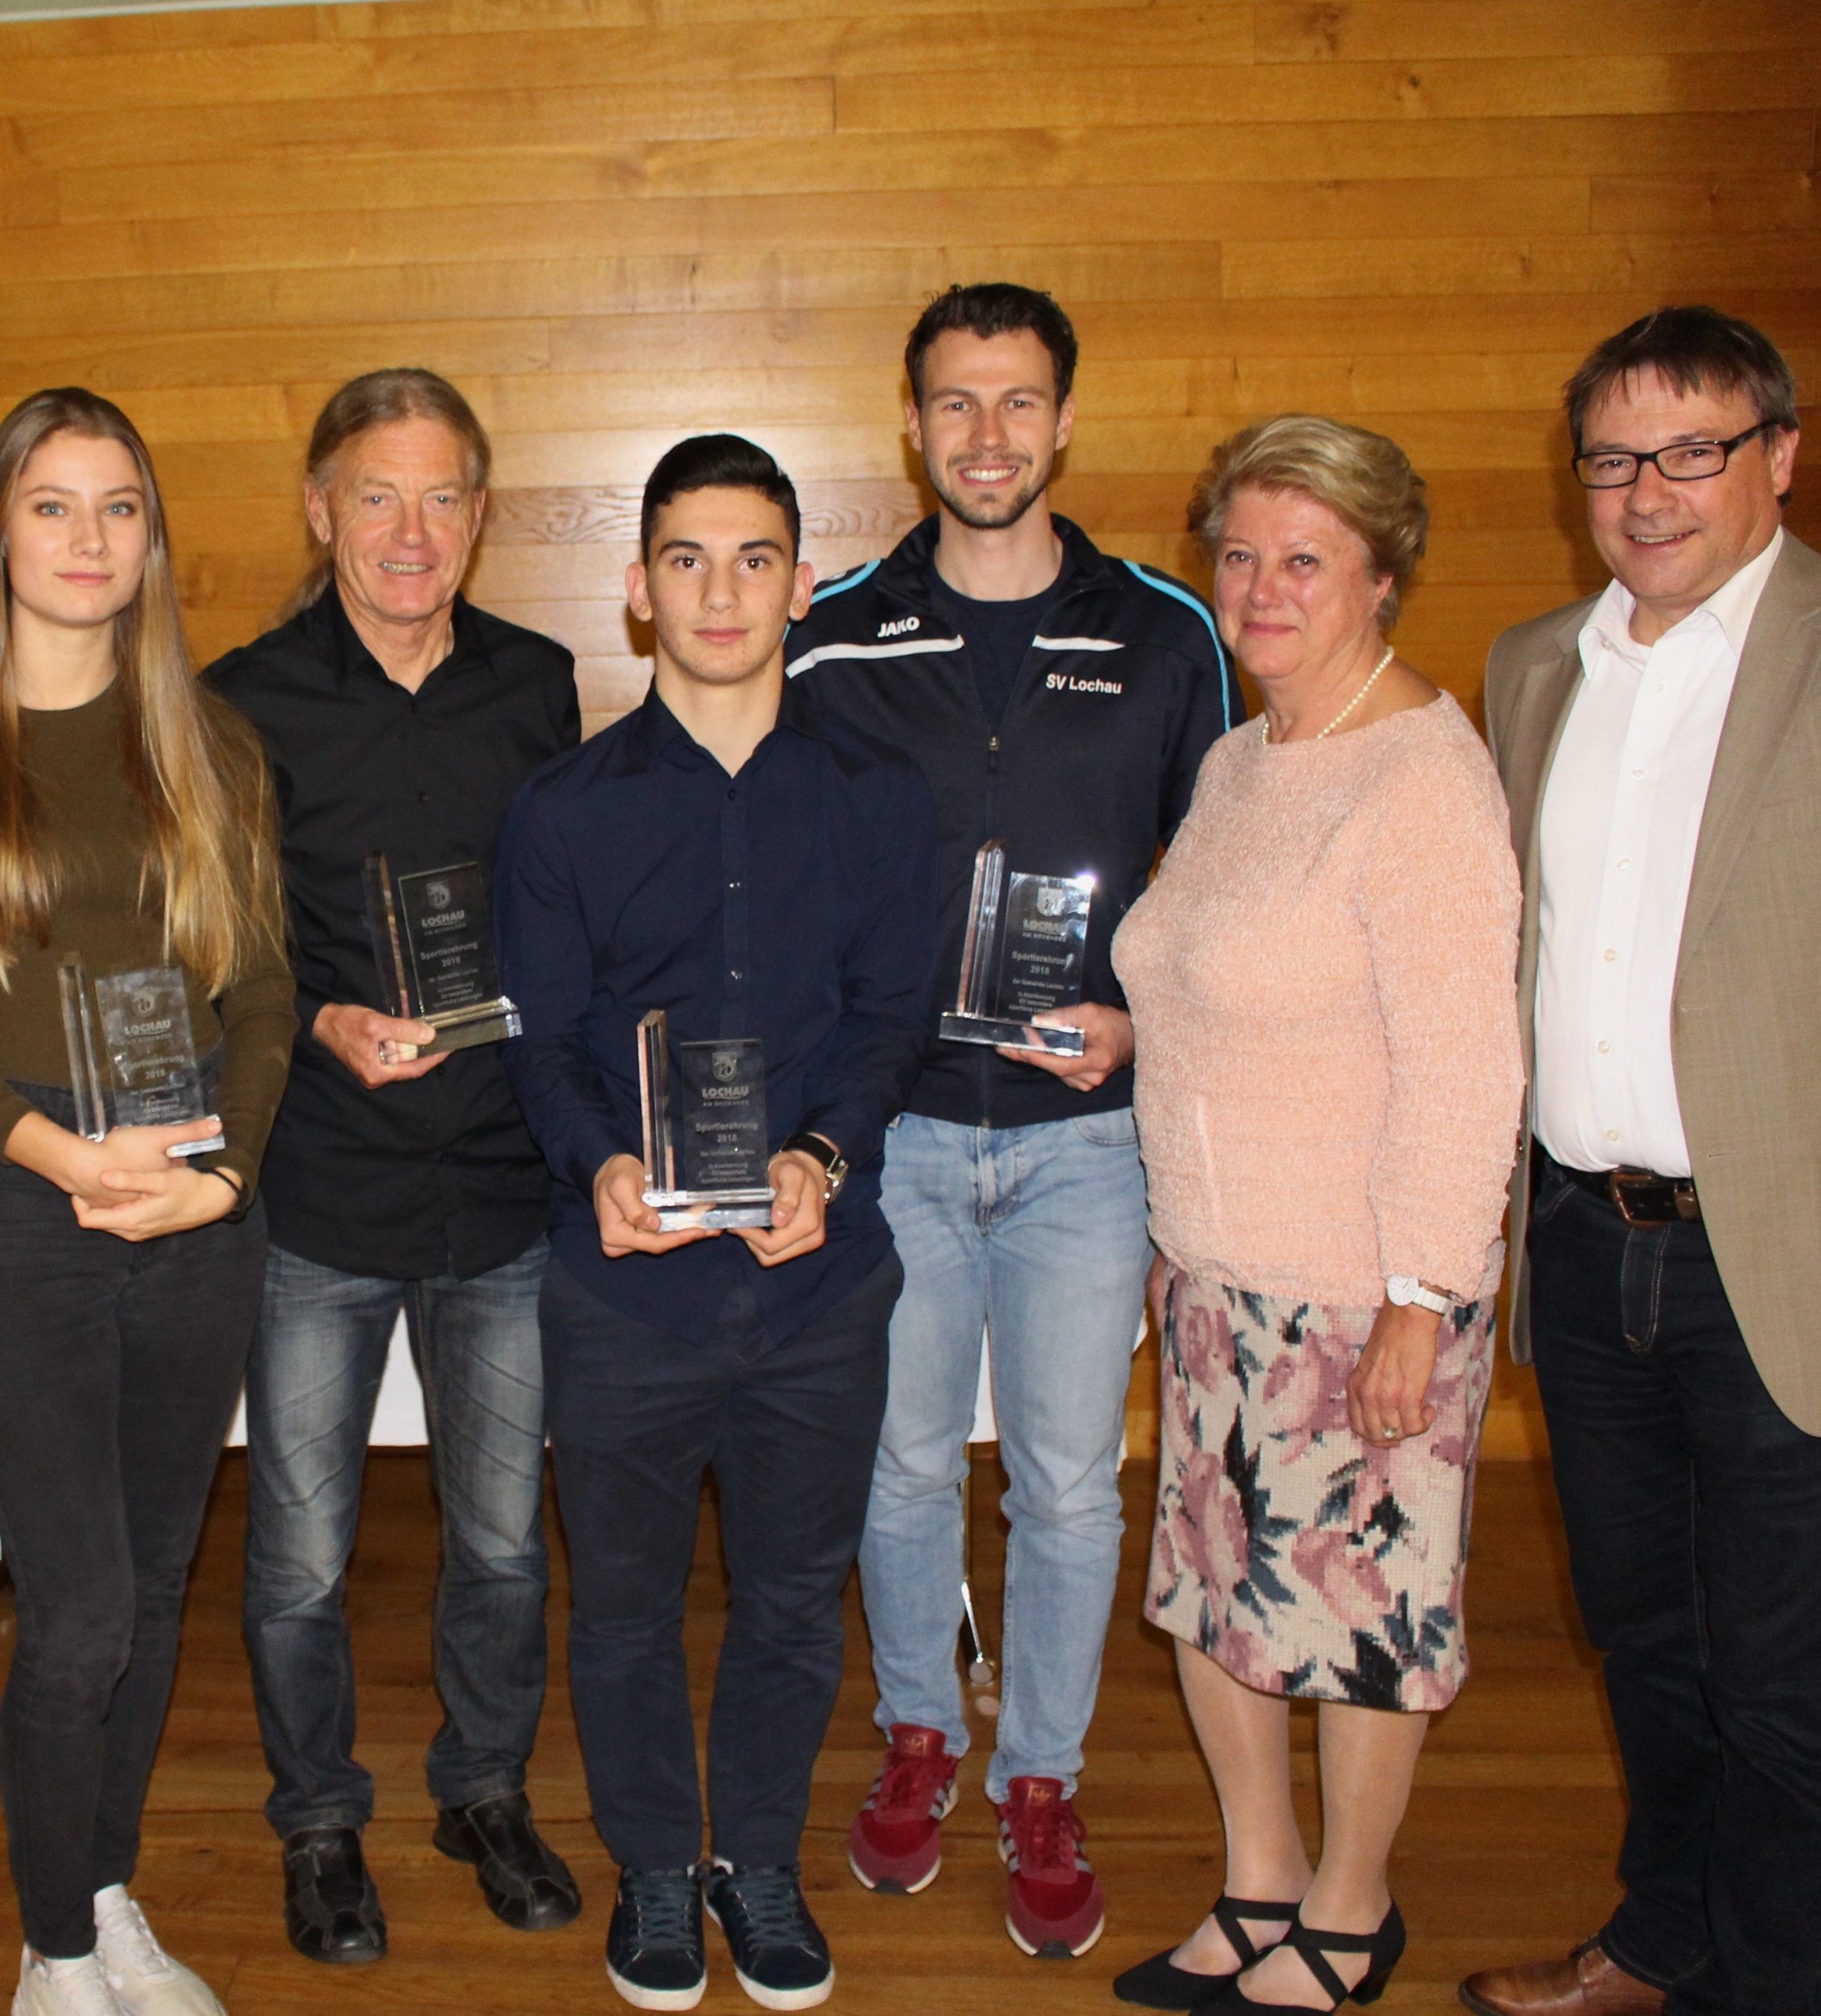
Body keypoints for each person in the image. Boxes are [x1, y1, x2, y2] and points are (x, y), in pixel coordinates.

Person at [781, 281, 1238, 1959]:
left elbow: (1227, 888)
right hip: (892, 1140)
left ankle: (1039, 1773)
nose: (988, 436)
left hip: (1085, 1143)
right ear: (912, 424)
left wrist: (1145, 1017)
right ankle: (920, 1734)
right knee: (898, 1464)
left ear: (1063, 417)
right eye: (956, 405)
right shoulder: (829, 631)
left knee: (1062, 1483)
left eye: (1018, 402)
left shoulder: (1165, 630)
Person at [0, 386, 296, 2016]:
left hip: (194, 1207)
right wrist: (61, 1158)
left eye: (120, 508)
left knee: (157, 1576)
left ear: (153, 539)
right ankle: (51, 1951)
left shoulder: (212, 740)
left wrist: (224, 1173)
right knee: (80, 1598)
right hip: (15, 1207)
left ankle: (103, 1894)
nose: (90, 539)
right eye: (54, 504)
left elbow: (263, 994)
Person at [498, 434, 935, 2012]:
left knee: (789, 1605)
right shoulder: (561, 812)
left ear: (802, 585)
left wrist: (823, 1148)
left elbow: (892, 1013)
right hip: (625, 1297)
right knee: (616, 1610)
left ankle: (756, 1859)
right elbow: (540, 1042)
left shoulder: (881, 798)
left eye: (754, 557)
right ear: (636, 590)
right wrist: (603, 1166)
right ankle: (655, 1874)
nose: (720, 590)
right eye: (686, 558)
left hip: (822, 1289)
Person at [1109, 414, 1523, 2013]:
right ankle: (1259, 1882)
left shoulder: (1419, 777)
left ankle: (1350, 1913)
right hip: (1216, 1272)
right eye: (1239, 554)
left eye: (1304, 559)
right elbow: (1222, 993)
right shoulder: (1236, 758)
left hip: (1363, 1296)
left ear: (1381, 575)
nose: (1262, 588)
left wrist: (1423, 1295)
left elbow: (1462, 1069)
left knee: (1355, 1618)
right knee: (1217, 1596)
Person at [1460, 308, 1820, 2016]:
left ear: (1778, 457)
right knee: (1651, 1646)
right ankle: (1661, 1941)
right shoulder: (1535, 667)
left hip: (1782, 1258)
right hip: (1590, 1251)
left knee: (1786, 1678)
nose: (1648, 490)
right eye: (1613, 456)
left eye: (1692, 449)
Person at [203, 370, 582, 1965]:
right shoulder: (239, 701)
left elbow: (566, 916)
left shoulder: (541, 688)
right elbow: (218, 945)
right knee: (299, 1550)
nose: (410, 533)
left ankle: (482, 1788)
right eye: (377, 496)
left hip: (501, 1187)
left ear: (480, 515)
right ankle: (315, 1822)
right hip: (324, 1190)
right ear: (318, 506)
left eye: (441, 498)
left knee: (501, 1539)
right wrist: (319, 1025)